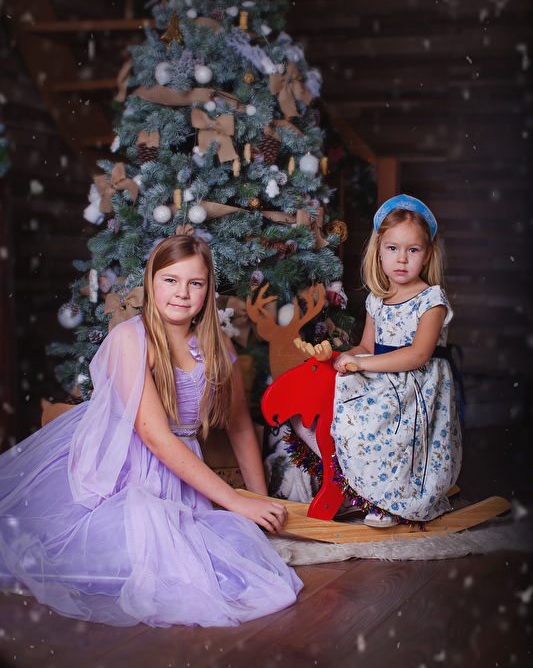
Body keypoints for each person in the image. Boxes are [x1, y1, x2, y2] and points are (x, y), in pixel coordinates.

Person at [0, 235, 302, 628]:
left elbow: (240, 425)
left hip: (183, 471)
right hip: (128, 469)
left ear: (208, 288)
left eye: (195, 283)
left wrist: (258, 504)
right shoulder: (131, 338)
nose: (182, 293)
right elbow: (156, 438)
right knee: (151, 565)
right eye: (170, 280)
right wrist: (236, 502)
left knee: (238, 561)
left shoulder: (218, 345)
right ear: (151, 282)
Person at [331, 195, 462, 527]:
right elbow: (367, 345)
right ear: (379, 251)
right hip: (386, 380)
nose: (401, 258)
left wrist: (364, 364)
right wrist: (349, 357)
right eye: (392, 248)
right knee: (357, 416)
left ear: (427, 255)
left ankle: (401, 499)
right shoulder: (377, 300)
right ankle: (368, 489)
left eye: (412, 250)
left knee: (403, 440)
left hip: (417, 388)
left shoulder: (431, 300)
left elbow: (418, 354)